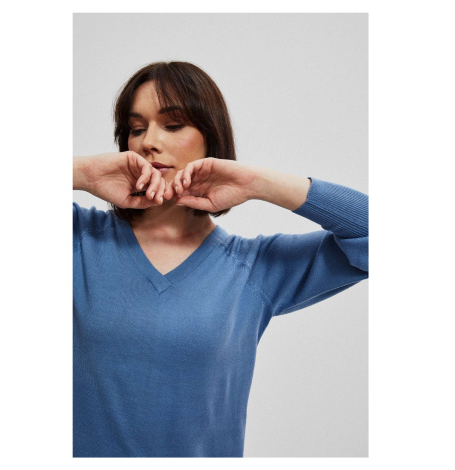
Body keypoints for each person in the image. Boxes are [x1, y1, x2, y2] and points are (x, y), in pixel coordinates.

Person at [73, 61, 368, 458]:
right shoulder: (79, 238)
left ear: (211, 139)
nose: (148, 142)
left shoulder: (253, 269)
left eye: (173, 125)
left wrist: (257, 182)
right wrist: (83, 173)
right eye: (136, 128)